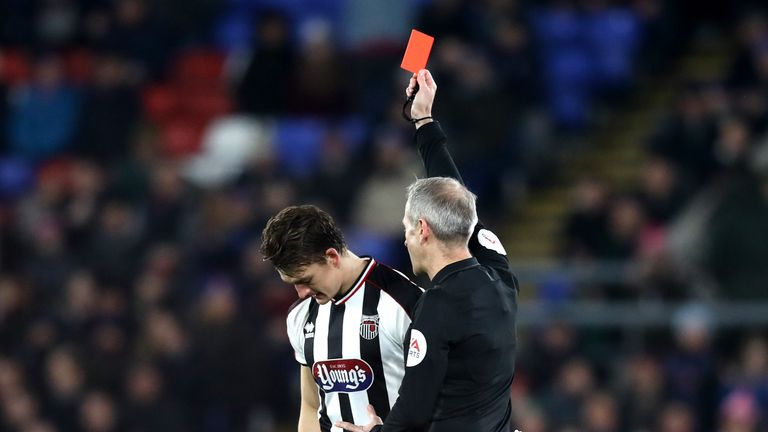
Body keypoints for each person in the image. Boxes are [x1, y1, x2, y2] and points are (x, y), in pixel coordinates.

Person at [337, 69, 519, 432]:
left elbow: (414, 411)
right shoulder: (499, 274)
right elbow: (456, 199)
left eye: (407, 227)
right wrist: (424, 119)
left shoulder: (438, 304)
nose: (404, 239)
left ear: (422, 230)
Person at [260, 205, 424, 432]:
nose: (302, 292)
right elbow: (310, 406)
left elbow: (445, 396)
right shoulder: (300, 316)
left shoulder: (405, 301)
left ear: (332, 256)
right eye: (293, 283)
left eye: (306, 279)